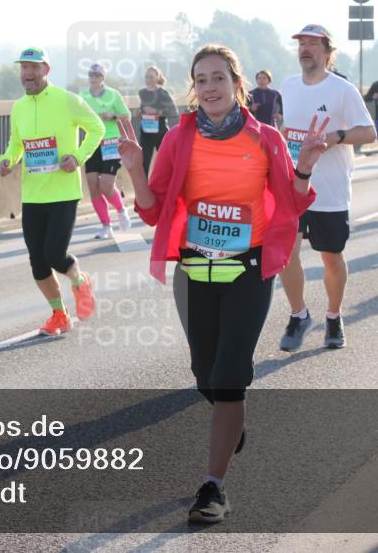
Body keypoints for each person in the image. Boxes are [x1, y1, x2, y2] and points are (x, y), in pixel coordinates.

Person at [116, 44, 328, 524]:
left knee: (230, 376)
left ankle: (213, 487)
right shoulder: (179, 138)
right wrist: (135, 169)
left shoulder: (265, 138)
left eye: (218, 78)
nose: (210, 87)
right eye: (201, 80)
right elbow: (152, 211)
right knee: (205, 375)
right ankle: (230, 421)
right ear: (194, 88)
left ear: (237, 84)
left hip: (246, 269)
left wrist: (305, 167)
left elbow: (292, 203)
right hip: (195, 269)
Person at [278, 24, 376, 351]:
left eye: (313, 44)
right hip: (294, 186)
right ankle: (299, 315)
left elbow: (368, 132)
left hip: (330, 190)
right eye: (301, 44)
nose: (305, 49)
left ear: (328, 51)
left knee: (331, 258)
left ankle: (334, 317)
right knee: (285, 253)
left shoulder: (342, 90)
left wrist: (335, 137)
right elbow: (288, 129)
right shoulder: (288, 86)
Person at [0, 47, 103, 335]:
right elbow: (16, 144)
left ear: (46, 70)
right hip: (33, 195)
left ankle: (80, 282)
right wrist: (7, 160)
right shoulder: (19, 107)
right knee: (37, 262)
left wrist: (78, 157)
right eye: (24, 68)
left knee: (55, 255)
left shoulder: (68, 100)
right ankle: (59, 315)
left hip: (63, 193)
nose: (28, 73)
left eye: (34, 67)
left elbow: (96, 128)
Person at [79, 63, 133, 239]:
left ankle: (121, 210)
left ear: (103, 77)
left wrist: (113, 116)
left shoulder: (113, 95)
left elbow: (127, 116)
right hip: (92, 143)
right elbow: (77, 117)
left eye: (97, 75)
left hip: (111, 142)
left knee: (106, 185)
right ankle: (106, 226)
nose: (93, 78)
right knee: (93, 186)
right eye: (91, 75)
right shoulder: (83, 96)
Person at [137, 66, 178, 176]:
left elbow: (173, 112)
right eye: (146, 77)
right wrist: (141, 113)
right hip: (146, 132)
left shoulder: (163, 93)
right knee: (143, 164)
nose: (148, 79)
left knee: (166, 162)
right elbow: (143, 109)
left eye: (151, 77)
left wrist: (156, 111)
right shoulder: (142, 92)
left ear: (157, 78)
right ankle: (144, 186)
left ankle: (171, 184)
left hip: (161, 133)